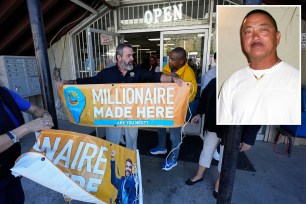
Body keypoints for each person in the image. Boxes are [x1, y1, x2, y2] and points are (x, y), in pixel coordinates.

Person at [56, 43, 184, 150]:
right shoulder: (107, 73)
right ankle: (115, 165)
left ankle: (131, 168)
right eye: (129, 55)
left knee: (131, 144)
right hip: (112, 116)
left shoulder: (137, 71)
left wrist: (172, 80)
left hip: (132, 115)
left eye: (132, 55)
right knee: (113, 144)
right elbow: (89, 81)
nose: (132, 58)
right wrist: (68, 82)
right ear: (119, 57)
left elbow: (156, 76)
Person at [218, 9, 300, 124]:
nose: (255, 37)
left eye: (264, 30)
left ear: (277, 37)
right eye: (248, 32)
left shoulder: (296, 80)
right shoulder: (231, 83)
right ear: (242, 40)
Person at [0, 86, 54, 203]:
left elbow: (35, 109)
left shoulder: (5, 93)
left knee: (17, 199)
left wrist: (46, 116)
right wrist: (28, 127)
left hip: (13, 166)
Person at [150, 47, 198, 171]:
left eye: (172, 59)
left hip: (176, 109)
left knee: (174, 135)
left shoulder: (188, 73)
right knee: (160, 126)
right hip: (164, 105)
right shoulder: (167, 68)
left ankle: (173, 159)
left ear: (182, 61)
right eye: (169, 58)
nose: (169, 61)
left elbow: (191, 94)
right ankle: (161, 147)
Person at [185, 78, 219, 185]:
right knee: (207, 149)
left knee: (227, 155)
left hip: (232, 128)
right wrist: (199, 113)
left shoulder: (244, 81)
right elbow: (204, 98)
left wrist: (248, 138)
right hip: (213, 124)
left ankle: (220, 181)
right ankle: (199, 175)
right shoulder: (214, 81)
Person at [213, 125, 261, 199]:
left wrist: (248, 138)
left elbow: (257, 116)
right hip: (221, 125)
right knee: (220, 154)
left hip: (236, 130)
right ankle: (218, 182)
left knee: (226, 158)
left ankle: (218, 182)